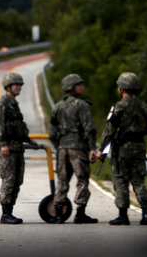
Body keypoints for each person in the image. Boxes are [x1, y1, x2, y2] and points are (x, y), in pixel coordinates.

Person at [96, 72, 147, 226]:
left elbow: (109, 131)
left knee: (120, 179)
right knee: (138, 180)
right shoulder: (144, 107)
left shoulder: (118, 106)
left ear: (121, 89)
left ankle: (123, 216)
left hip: (122, 149)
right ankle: (146, 214)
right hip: (139, 147)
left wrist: (102, 151)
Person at [48, 73, 98, 224]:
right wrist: (93, 148)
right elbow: (89, 128)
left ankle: (58, 214)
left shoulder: (57, 106)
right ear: (71, 87)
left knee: (62, 180)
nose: (82, 87)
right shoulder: (81, 105)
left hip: (62, 148)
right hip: (78, 148)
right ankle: (80, 214)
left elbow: (51, 131)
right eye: (79, 84)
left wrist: (59, 145)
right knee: (82, 179)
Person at [0, 72, 39, 225]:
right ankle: (5, 214)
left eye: (20, 84)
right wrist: (3, 143)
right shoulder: (3, 104)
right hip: (8, 148)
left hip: (17, 147)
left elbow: (19, 126)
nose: (19, 87)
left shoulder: (14, 104)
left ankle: (10, 212)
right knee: (9, 179)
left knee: (17, 180)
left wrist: (29, 139)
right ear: (8, 87)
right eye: (16, 84)